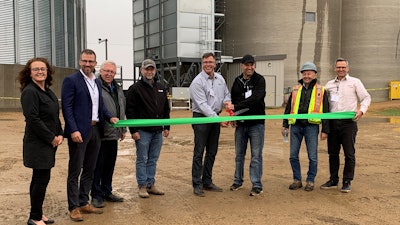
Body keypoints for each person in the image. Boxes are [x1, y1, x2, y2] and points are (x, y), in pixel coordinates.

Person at [61, 49, 118, 221]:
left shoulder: (97, 82)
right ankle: (73, 207)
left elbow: (99, 106)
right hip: (79, 132)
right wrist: (73, 130)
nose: (87, 64)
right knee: (75, 170)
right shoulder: (71, 81)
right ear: (80, 61)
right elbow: (67, 108)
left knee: (90, 169)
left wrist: (109, 116)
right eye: (85, 61)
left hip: (96, 130)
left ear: (95, 63)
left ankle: (84, 201)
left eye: (91, 61)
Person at [18, 58, 63, 225]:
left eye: (42, 69)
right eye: (35, 69)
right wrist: (51, 137)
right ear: (29, 73)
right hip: (38, 144)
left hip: (48, 143)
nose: (40, 72)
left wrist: (60, 133)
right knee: (40, 180)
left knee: (40, 179)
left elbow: (54, 116)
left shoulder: (48, 91)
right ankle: (35, 217)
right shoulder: (30, 92)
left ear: (47, 71)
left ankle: (37, 213)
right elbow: (33, 119)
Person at [320, 58, 371, 193]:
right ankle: (333, 179)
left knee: (349, 153)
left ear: (347, 69)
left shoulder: (355, 82)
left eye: (343, 67)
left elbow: (366, 97)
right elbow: (323, 104)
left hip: (348, 124)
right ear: (334, 69)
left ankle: (347, 181)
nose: (341, 69)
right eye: (338, 67)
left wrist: (361, 110)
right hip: (333, 123)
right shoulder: (329, 85)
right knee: (333, 153)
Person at [125, 59, 170, 198]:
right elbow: (130, 111)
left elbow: (165, 109)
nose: (149, 72)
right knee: (142, 159)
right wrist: (133, 130)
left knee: (153, 159)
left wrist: (166, 126)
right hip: (143, 131)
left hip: (157, 131)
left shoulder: (161, 87)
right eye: (147, 69)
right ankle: (142, 185)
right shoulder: (134, 89)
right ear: (142, 70)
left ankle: (151, 184)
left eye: (152, 69)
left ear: (155, 71)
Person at [282, 61, 330, 192]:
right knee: (293, 155)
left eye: (309, 73)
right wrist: (285, 124)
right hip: (295, 126)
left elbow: (326, 111)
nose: (306, 75)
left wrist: (325, 130)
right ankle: (297, 180)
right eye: (304, 73)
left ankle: (310, 180)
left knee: (312, 156)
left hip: (311, 127)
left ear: (315, 74)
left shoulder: (321, 90)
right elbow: (288, 108)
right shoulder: (296, 89)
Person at [189, 52, 232, 197]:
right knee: (199, 151)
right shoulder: (197, 82)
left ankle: (207, 181)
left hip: (215, 118)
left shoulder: (220, 78)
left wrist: (227, 102)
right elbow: (202, 105)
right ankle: (197, 183)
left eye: (211, 62)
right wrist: (218, 120)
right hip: (201, 118)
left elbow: (226, 94)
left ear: (215, 63)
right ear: (202, 64)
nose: (208, 64)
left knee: (212, 151)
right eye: (205, 62)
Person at [90, 61, 126, 208]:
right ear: (101, 71)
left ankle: (107, 191)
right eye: (106, 71)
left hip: (113, 133)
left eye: (112, 72)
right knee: (97, 165)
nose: (109, 74)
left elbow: (121, 108)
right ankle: (96, 195)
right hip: (100, 133)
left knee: (109, 165)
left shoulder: (117, 88)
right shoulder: (95, 86)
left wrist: (122, 129)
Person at [229, 55, 266, 196]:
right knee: (239, 155)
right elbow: (234, 98)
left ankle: (257, 184)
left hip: (256, 124)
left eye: (252, 65)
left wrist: (236, 106)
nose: (249, 67)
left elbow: (256, 98)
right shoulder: (237, 81)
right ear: (242, 66)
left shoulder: (259, 80)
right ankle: (238, 181)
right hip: (241, 124)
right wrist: (234, 115)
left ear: (254, 66)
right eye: (246, 65)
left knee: (256, 155)